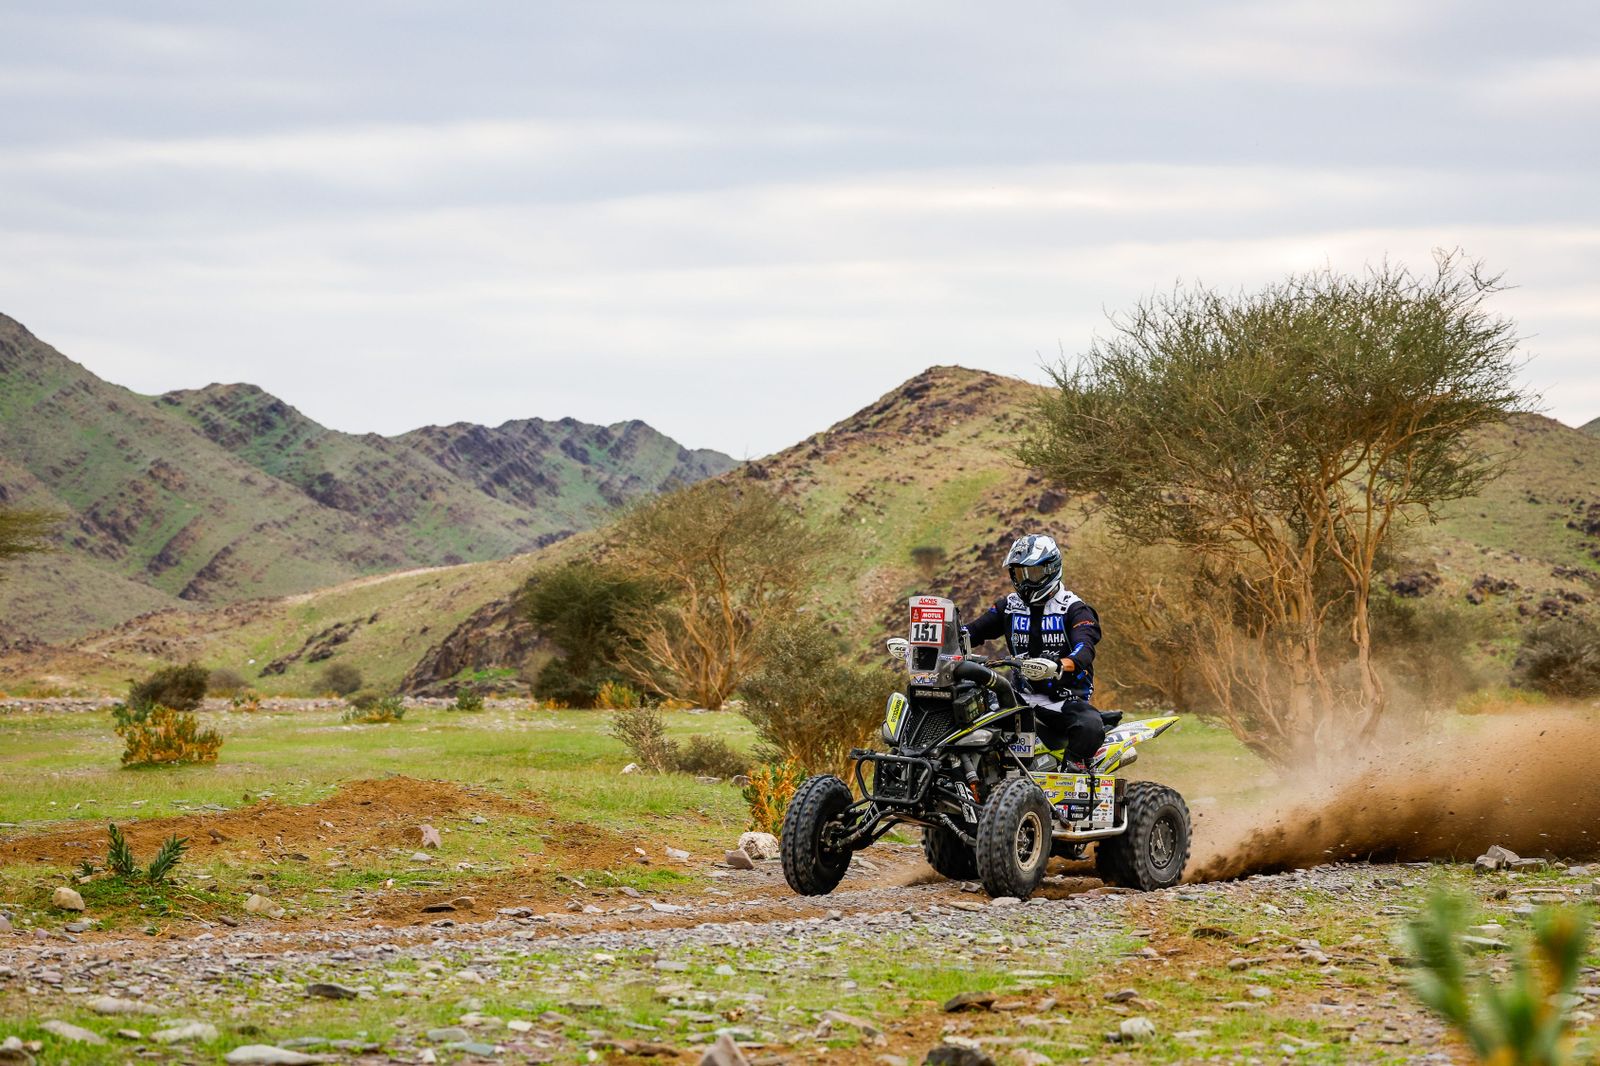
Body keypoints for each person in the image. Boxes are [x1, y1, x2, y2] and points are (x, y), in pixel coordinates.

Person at [962, 533, 1106, 770]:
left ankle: (1070, 777)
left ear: (1052, 568)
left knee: (1090, 726)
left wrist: (1062, 665)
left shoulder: (1074, 608)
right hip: (1016, 697)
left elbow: (1085, 648)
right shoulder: (1009, 606)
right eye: (1020, 574)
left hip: (1062, 700)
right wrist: (941, 639)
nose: (1026, 582)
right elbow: (973, 631)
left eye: (1034, 573)